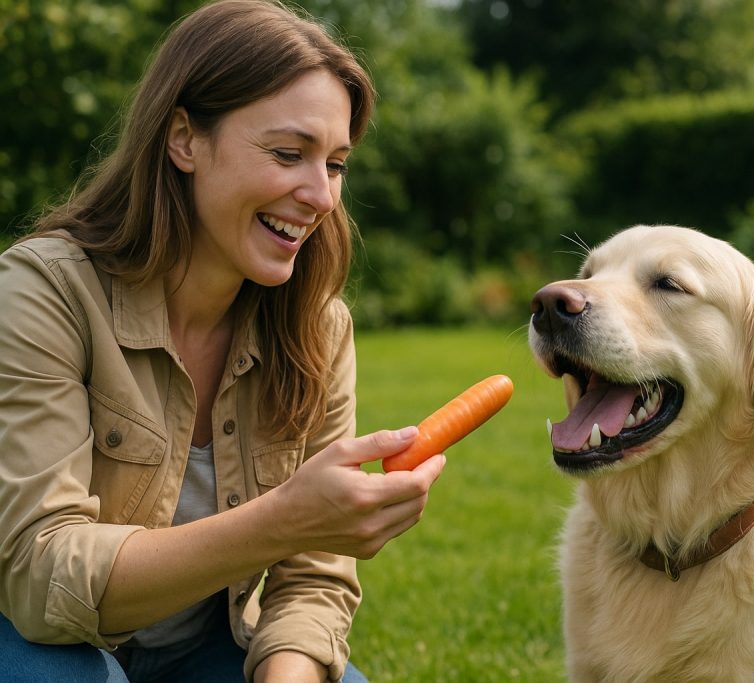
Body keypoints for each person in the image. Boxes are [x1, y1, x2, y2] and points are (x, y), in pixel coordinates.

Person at [0, 1, 447, 681]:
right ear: (184, 139)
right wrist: (284, 519)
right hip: (37, 640)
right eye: (288, 154)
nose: (322, 196)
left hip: (200, 650)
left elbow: (312, 583)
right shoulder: (43, 292)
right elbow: (41, 576)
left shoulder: (318, 328)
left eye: (335, 164)